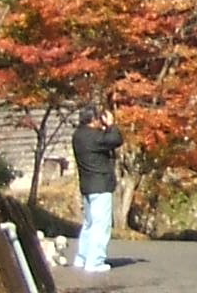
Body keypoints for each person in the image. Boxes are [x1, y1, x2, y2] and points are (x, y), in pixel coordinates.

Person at [71, 103, 124, 275]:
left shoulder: (78, 135)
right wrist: (111, 124)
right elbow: (115, 140)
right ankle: (95, 261)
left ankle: (83, 257)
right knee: (101, 225)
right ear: (94, 119)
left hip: (87, 186)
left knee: (89, 224)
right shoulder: (95, 137)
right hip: (100, 185)